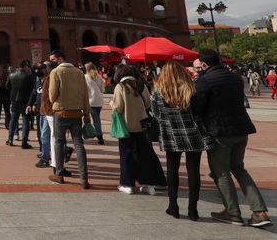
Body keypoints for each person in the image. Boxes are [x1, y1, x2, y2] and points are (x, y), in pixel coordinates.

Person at [193, 49, 272, 227]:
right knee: (239, 169)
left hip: (220, 132)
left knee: (220, 172)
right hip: (241, 129)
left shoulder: (205, 81)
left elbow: (197, 107)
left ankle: (232, 212)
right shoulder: (235, 78)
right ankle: (259, 211)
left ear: (204, 64)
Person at [150, 61, 209, 221]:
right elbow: (198, 111)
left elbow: (156, 114)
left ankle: (173, 206)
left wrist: (168, 120)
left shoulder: (158, 91)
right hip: (192, 132)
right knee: (193, 171)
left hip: (171, 133)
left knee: (172, 170)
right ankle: (193, 210)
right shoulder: (190, 89)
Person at [111, 64, 166, 196]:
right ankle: (149, 184)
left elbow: (118, 107)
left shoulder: (121, 86)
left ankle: (127, 184)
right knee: (145, 155)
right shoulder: (142, 85)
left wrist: (111, 104)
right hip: (143, 127)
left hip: (126, 127)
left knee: (127, 155)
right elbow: (148, 104)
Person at [47, 49, 91, 189]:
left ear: (60, 59)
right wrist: (87, 113)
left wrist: (53, 100)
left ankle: (59, 174)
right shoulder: (79, 72)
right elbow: (85, 94)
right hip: (77, 113)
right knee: (79, 144)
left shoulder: (56, 72)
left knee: (59, 142)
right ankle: (84, 179)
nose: (51, 63)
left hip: (61, 112)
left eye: (53, 60)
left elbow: (52, 94)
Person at [7, 60, 35, 148]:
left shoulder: (11, 75)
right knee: (25, 121)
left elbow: (7, 86)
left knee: (13, 120)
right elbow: (32, 88)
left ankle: (10, 139)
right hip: (25, 101)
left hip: (14, 100)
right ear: (26, 66)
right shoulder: (28, 76)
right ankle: (24, 142)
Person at [84, 62, 106, 145]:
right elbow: (103, 90)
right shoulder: (99, 76)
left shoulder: (85, 77)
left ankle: (99, 136)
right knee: (97, 119)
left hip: (91, 100)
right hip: (99, 100)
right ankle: (99, 135)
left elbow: (85, 90)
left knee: (95, 120)